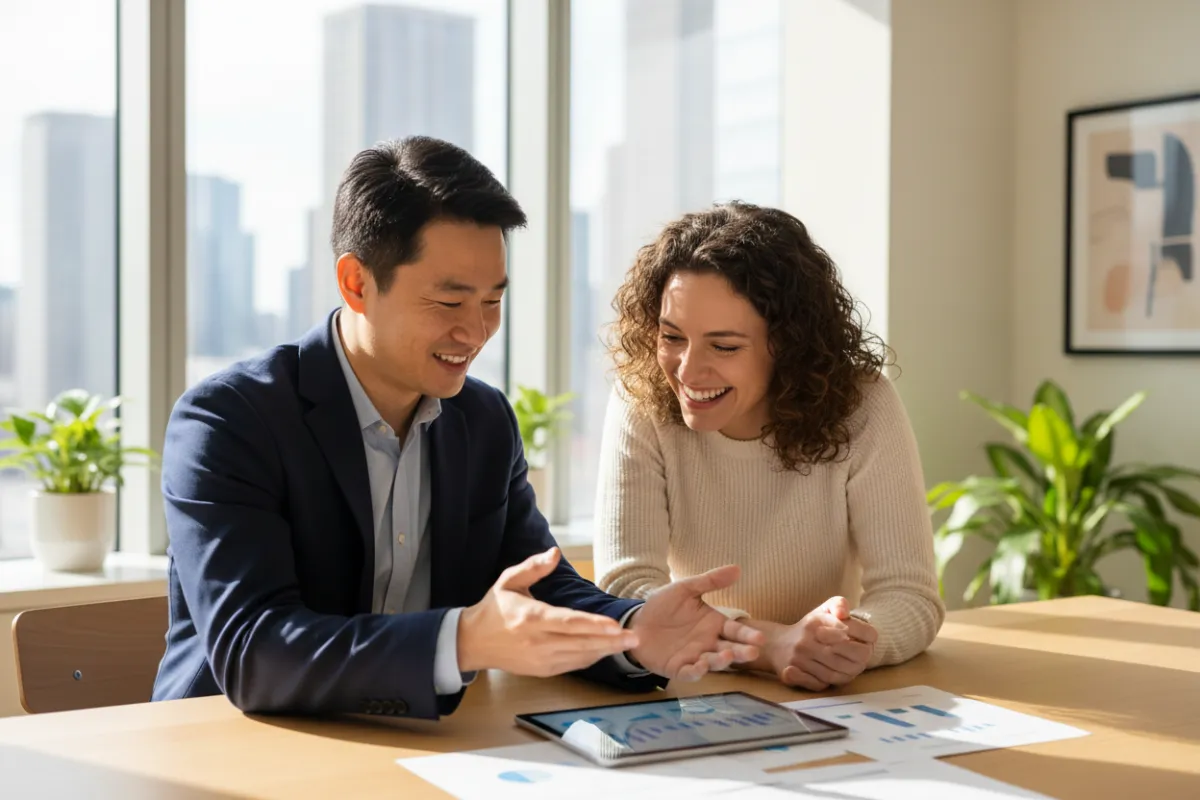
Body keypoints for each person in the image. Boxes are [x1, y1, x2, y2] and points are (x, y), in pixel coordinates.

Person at [152, 137, 764, 719]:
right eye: (449, 303)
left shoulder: (483, 421)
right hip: (235, 747)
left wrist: (630, 631)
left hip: (421, 744)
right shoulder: (229, 421)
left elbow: (539, 584)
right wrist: (463, 641)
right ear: (356, 282)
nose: (476, 332)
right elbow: (256, 652)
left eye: (492, 300)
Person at [594, 201, 944, 692]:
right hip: (695, 690)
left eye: (725, 346)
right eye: (672, 337)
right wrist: (771, 645)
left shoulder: (863, 404)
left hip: (826, 696)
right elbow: (627, 592)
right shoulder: (640, 402)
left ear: (788, 344)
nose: (688, 372)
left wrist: (844, 642)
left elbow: (909, 596)